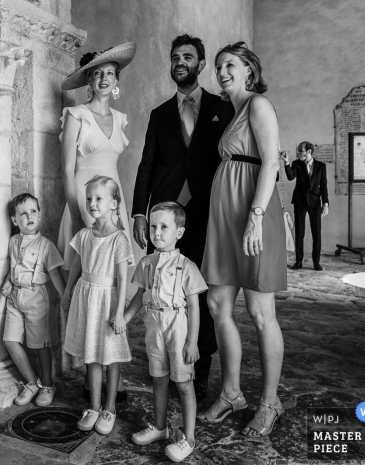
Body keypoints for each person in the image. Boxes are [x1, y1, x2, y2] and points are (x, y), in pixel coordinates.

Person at [132, 34, 235, 401]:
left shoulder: (222, 109)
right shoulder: (159, 114)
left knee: (201, 291)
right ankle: (162, 360)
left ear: (200, 64)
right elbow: (147, 165)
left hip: (209, 213)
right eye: (175, 56)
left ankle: (199, 368)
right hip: (165, 217)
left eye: (187, 57)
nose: (180, 61)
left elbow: (231, 160)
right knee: (164, 290)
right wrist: (139, 212)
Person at [198, 42, 286, 437]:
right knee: (218, 303)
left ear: (249, 70)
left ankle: (270, 401)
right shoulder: (231, 112)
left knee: (259, 310)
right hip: (225, 219)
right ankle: (232, 392)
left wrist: (255, 217)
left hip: (253, 213)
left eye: (230, 65)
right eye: (218, 67)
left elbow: (270, 161)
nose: (222, 71)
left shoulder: (258, 105)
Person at [58, 42, 136, 402]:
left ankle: (112, 373)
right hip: (83, 205)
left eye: (109, 73)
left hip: (114, 207)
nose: (104, 78)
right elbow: (67, 169)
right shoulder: (76, 115)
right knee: (85, 286)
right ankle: (89, 371)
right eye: (97, 73)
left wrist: (119, 214)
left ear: (116, 80)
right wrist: (77, 213)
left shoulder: (120, 120)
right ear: (88, 81)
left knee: (114, 287)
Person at [124, 202, 207, 462]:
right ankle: (160, 428)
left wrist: (192, 342)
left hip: (178, 328)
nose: (156, 233)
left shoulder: (187, 266)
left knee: (183, 383)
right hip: (154, 325)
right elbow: (139, 295)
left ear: (179, 232)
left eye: (164, 227)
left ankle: (189, 438)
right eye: (153, 226)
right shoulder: (147, 263)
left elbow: (194, 306)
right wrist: (124, 319)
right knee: (158, 378)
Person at [61, 175, 132, 436]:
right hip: (86, 297)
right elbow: (76, 266)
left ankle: (109, 408)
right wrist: (68, 291)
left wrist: (119, 313)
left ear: (114, 203)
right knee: (91, 354)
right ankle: (93, 406)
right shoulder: (84, 235)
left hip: (107, 301)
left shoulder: (119, 239)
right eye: (89, 198)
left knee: (110, 357)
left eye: (99, 198)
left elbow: (123, 278)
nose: (92, 203)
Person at [2, 193, 66, 407]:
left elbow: (56, 274)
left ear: (39, 214)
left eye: (33, 211)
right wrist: (8, 282)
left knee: (40, 345)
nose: (29, 216)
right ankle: (32, 382)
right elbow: (13, 267)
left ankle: (47, 385)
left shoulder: (46, 246)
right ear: (14, 220)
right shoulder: (13, 241)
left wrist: (65, 297)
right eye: (23, 213)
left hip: (35, 297)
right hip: (14, 297)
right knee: (9, 340)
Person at [282, 142, 329, 270]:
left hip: (315, 202)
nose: (298, 153)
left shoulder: (321, 166)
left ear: (309, 152)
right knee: (299, 232)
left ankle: (316, 262)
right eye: (298, 151)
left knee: (316, 233)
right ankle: (298, 261)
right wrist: (286, 162)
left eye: (301, 151)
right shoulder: (296, 163)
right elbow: (291, 177)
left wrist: (325, 203)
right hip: (300, 201)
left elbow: (324, 186)